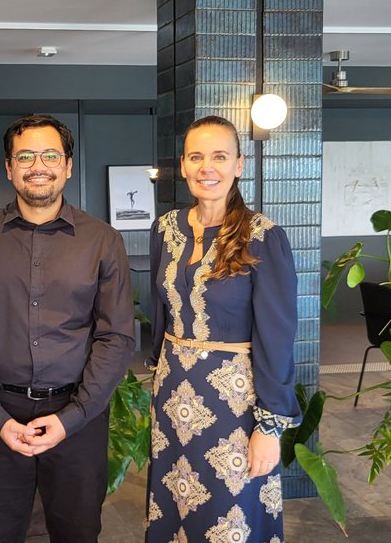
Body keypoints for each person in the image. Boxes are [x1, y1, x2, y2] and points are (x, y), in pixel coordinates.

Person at [0, 114, 135, 542]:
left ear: (68, 165)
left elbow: (116, 336)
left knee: (78, 531)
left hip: (78, 418)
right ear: (9, 168)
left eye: (50, 154)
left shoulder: (103, 240)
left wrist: (74, 417)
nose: (38, 165)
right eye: (25, 155)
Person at [145, 116, 301, 542]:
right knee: (174, 507)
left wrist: (269, 427)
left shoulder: (263, 236)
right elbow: (160, 316)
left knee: (229, 518)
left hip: (234, 400)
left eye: (219, 156)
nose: (206, 167)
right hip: (173, 393)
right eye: (196, 157)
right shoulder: (165, 229)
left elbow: (278, 336)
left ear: (239, 164)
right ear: (182, 165)